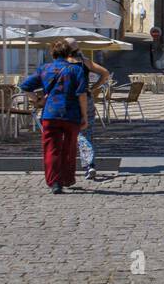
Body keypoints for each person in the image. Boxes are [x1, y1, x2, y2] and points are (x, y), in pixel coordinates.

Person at [20, 40, 89, 194]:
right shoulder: (76, 70)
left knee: (51, 148)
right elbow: (82, 95)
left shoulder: (44, 69)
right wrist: (85, 115)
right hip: (71, 113)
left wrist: (36, 100)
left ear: (53, 53)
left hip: (50, 113)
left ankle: (54, 182)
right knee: (69, 148)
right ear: (68, 53)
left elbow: (25, 86)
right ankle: (67, 178)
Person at [65, 40, 109, 181]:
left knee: (65, 132)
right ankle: (89, 164)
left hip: (67, 100)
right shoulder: (85, 62)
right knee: (85, 132)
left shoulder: (62, 63)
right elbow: (105, 73)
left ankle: (64, 165)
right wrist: (94, 87)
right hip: (86, 97)